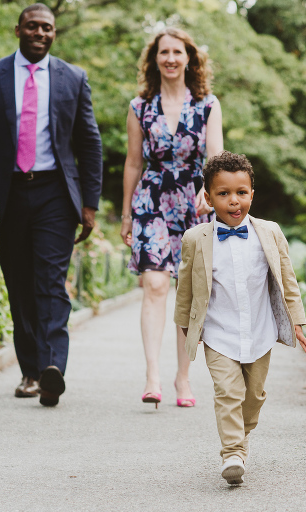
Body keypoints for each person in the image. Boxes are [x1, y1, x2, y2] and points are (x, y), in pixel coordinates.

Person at [0, 3, 103, 407]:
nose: (41, 33)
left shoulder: (73, 78)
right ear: (18, 29)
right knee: (19, 283)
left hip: (56, 192)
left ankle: (52, 368)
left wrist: (89, 203)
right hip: (6, 195)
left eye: (48, 28)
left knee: (51, 281)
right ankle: (30, 371)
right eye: (33, 26)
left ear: (54, 34)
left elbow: (89, 143)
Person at [173, 151, 306, 485]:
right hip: (219, 334)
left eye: (241, 193)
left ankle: (242, 432)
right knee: (228, 393)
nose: (233, 201)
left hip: (260, 331)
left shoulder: (270, 232)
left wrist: (297, 321)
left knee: (254, 397)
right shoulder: (196, 238)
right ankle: (233, 453)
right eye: (223, 194)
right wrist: (184, 327)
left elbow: (287, 280)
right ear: (208, 198)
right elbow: (185, 287)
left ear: (252, 194)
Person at [121, 28, 223, 408]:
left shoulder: (208, 104)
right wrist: (127, 214)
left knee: (189, 291)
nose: (170, 58)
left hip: (194, 202)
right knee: (155, 285)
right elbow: (133, 162)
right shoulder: (139, 106)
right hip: (151, 199)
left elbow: (216, 156)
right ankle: (153, 376)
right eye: (163, 52)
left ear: (189, 59)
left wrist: (210, 191)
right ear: (154, 60)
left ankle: (183, 378)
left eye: (177, 52)